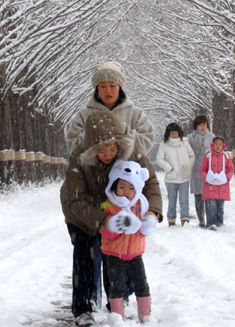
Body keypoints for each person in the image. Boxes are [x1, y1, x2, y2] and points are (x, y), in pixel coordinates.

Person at [60, 111, 162, 326]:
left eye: (113, 148)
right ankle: (82, 308)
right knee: (85, 256)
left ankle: (117, 302)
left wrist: (152, 211)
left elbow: (151, 182)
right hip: (82, 214)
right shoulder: (79, 158)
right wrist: (103, 220)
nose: (108, 154)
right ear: (91, 147)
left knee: (116, 255)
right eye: (101, 149)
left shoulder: (132, 153)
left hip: (119, 211)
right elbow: (75, 199)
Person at [100, 160, 157, 323]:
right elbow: (104, 230)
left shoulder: (141, 205)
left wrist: (148, 224)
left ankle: (145, 315)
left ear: (138, 188)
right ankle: (117, 316)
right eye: (122, 187)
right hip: (114, 255)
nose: (126, 192)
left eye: (131, 188)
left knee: (141, 284)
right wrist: (114, 225)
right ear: (115, 186)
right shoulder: (109, 205)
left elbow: (145, 229)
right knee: (117, 286)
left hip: (135, 254)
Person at [65, 62, 155, 156]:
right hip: (93, 170)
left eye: (112, 86)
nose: (108, 91)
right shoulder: (84, 115)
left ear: (119, 88)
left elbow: (147, 142)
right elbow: (73, 146)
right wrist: (93, 133)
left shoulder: (135, 114)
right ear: (97, 89)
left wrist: (123, 131)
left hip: (126, 169)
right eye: (103, 86)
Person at [156, 123, 195, 226]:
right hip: (171, 178)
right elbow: (159, 159)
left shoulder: (184, 143)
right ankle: (171, 220)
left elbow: (192, 156)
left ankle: (185, 219)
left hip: (184, 176)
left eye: (176, 133)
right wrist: (169, 168)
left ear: (179, 133)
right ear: (168, 134)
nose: (174, 135)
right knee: (172, 201)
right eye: (172, 133)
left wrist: (188, 166)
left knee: (184, 201)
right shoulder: (163, 145)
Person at [199, 136, 234, 230]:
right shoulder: (208, 156)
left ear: (223, 146)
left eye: (220, 144)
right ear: (212, 145)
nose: (218, 146)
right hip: (210, 186)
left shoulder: (226, 157)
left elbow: (231, 169)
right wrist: (207, 177)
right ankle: (211, 223)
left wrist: (227, 178)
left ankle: (220, 223)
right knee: (211, 206)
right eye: (216, 144)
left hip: (222, 187)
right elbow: (202, 169)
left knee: (220, 206)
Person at [187, 115, 215, 228]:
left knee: (208, 195)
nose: (202, 127)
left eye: (204, 125)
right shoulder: (190, 137)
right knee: (198, 195)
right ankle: (201, 220)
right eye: (200, 125)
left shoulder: (212, 136)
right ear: (196, 126)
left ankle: (210, 220)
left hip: (209, 168)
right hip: (195, 169)